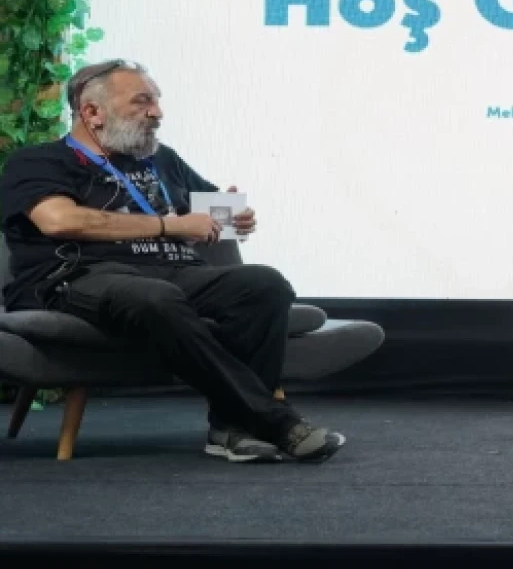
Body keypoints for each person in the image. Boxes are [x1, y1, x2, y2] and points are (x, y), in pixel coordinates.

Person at [0, 59, 345, 464]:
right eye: (142, 101)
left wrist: (232, 217)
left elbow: (209, 210)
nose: (157, 112)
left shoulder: (162, 160)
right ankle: (274, 421)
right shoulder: (39, 161)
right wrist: (168, 225)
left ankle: (231, 428)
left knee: (264, 285)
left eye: (157, 101)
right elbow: (58, 220)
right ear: (92, 112)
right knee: (155, 297)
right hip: (76, 276)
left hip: (174, 270)